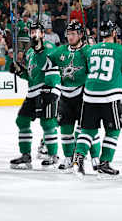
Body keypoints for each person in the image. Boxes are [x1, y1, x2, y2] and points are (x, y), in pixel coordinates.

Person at [73, 21, 122, 178]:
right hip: (110, 95)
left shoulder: (91, 49)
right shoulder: (121, 50)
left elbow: (85, 67)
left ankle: (79, 157)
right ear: (114, 33)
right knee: (114, 129)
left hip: (89, 94)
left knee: (88, 129)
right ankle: (104, 162)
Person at [47, 21, 101, 172]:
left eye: (73, 34)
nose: (70, 37)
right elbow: (46, 64)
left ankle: (96, 157)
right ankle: (69, 157)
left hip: (83, 95)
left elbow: (97, 70)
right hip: (65, 96)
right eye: (68, 34)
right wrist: (38, 50)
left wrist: (89, 52)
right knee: (65, 129)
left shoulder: (88, 51)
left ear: (80, 35)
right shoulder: (61, 50)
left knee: (88, 128)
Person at [9, 21, 60, 169]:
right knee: (22, 120)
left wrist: (40, 49)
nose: (34, 34)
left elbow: (51, 67)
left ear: (43, 34)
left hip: (47, 90)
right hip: (33, 91)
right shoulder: (30, 52)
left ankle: (53, 155)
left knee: (48, 123)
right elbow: (30, 76)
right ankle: (26, 155)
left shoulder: (49, 47)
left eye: (37, 32)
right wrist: (19, 70)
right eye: (32, 32)